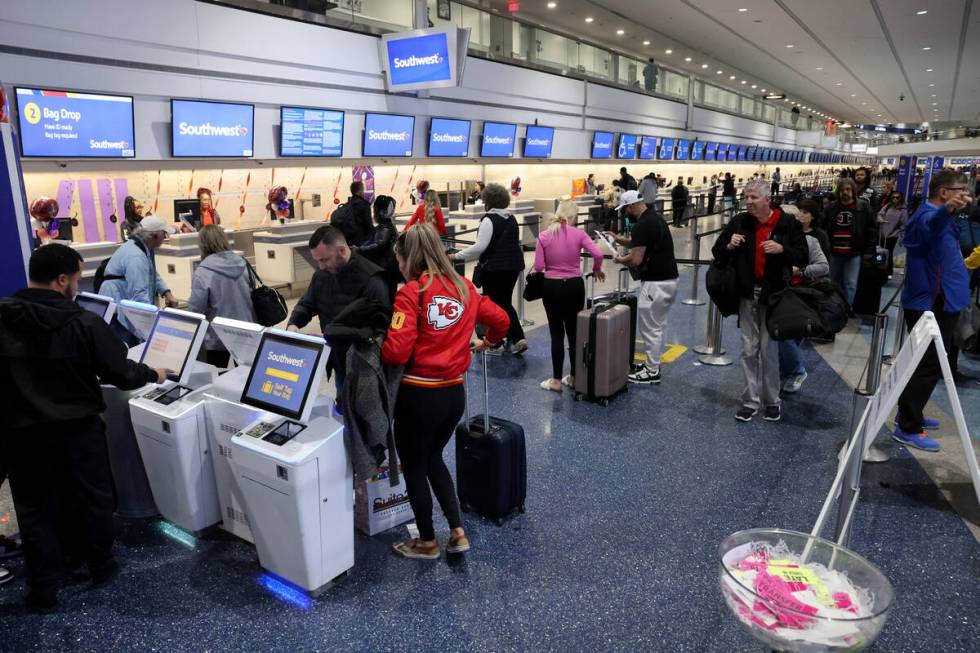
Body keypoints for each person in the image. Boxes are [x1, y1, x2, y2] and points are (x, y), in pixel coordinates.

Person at [0, 244, 170, 612]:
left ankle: (44, 588)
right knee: (93, 498)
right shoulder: (84, 322)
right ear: (63, 280)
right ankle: (99, 567)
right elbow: (121, 373)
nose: (77, 285)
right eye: (76, 278)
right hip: (78, 431)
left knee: (35, 509)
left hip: (21, 434)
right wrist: (152, 373)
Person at [381, 225, 509, 560]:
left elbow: (396, 352)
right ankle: (457, 531)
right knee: (433, 457)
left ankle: (426, 542)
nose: (398, 264)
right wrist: (487, 342)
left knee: (413, 465)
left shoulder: (411, 293)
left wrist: (379, 343)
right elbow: (502, 320)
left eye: (398, 258)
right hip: (453, 395)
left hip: (418, 397)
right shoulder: (464, 287)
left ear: (408, 257)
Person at [712, 179, 807, 422]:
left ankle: (772, 400)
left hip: (773, 297)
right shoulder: (741, 222)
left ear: (767, 199)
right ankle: (750, 401)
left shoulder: (787, 224)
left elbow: (802, 256)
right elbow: (717, 250)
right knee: (748, 350)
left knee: (769, 351)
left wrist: (782, 250)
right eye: (747, 197)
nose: (748, 202)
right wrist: (730, 246)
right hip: (747, 295)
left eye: (753, 197)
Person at [893, 170, 973, 451]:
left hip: (943, 301)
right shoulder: (927, 216)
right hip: (930, 304)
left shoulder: (942, 216)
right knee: (925, 365)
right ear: (943, 193)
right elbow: (928, 229)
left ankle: (911, 412)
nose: (966, 193)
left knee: (928, 364)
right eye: (960, 189)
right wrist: (947, 211)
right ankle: (907, 426)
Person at [287, 225, 389, 399]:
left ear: (342, 250)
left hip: (364, 364)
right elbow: (307, 303)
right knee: (343, 403)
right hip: (336, 358)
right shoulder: (321, 275)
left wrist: (333, 335)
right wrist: (293, 324)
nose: (320, 266)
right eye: (317, 261)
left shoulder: (373, 278)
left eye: (324, 260)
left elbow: (381, 331)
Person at [605, 190, 679, 385]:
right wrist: (618, 239)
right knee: (657, 326)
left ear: (630, 207)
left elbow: (635, 258)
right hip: (668, 281)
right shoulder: (654, 219)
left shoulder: (642, 225)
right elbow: (639, 242)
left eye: (624, 210)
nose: (624, 214)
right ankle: (652, 364)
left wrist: (619, 259)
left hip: (655, 284)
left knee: (650, 329)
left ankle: (652, 371)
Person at [533, 200, 606, 392]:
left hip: (552, 287)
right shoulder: (579, 234)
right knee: (574, 332)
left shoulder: (544, 236)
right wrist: (596, 269)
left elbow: (539, 267)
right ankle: (574, 377)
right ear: (574, 217)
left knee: (556, 333)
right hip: (574, 286)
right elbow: (598, 254)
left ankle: (556, 380)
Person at [451, 183, 526, 354]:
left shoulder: (488, 219)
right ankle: (518, 337)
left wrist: (457, 255)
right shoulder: (511, 218)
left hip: (494, 269)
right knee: (505, 302)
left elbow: (480, 247)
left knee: (492, 305)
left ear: (488, 200)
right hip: (513, 267)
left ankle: (495, 343)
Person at [99, 216, 180, 346]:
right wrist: (152, 325)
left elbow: (151, 272)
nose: (165, 237)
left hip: (119, 301)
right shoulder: (136, 256)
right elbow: (140, 295)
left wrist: (166, 293)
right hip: (118, 311)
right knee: (128, 351)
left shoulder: (141, 247)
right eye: (163, 234)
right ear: (153, 236)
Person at [777, 204, 829, 394]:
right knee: (785, 335)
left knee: (785, 335)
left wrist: (801, 271)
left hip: (800, 293)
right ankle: (787, 371)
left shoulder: (810, 242)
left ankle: (796, 371)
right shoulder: (774, 239)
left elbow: (824, 267)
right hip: (780, 292)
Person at [187, 225, 256, 368]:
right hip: (246, 331)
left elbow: (196, 308)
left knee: (216, 376)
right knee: (245, 376)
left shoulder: (203, 272)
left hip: (217, 335)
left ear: (203, 244)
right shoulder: (243, 263)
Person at [822, 178, 877, 306]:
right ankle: (834, 308)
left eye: (847, 189)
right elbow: (823, 227)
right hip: (834, 252)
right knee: (833, 283)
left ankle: (846, 310)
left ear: (853, 190)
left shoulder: (863, 207)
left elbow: (872, 230)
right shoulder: (831, 207)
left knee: (850, 284)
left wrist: (869, 250)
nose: (845, 193)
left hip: (854, 253)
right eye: (842, 190)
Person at [357, 195, 400, 302]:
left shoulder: (385, 228)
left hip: (385, 269)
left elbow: (378, 246)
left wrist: (359, 250)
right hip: (388, 269)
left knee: (386, 298)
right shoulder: (386, 226)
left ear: (380, 211)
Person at [877, 191, 908, 278]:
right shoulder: (887, 206)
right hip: (882, 233)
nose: (895, 199)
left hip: (892, 235)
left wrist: (902, 237)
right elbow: (880, 214)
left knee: (888, 252)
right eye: (893, 197)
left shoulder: (903, 210)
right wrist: (880, 219)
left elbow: (904, 224)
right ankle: (879, 267)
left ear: (900, 198)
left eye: (897, 197)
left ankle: (888, 271)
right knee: (879, 252)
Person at [336, 180, 374, 247]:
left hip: (348, 241)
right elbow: (368, 225)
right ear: (360, 191)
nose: (363, 192)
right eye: (363, 189)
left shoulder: (347, 205)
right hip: (361, 241)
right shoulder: (364, 205)